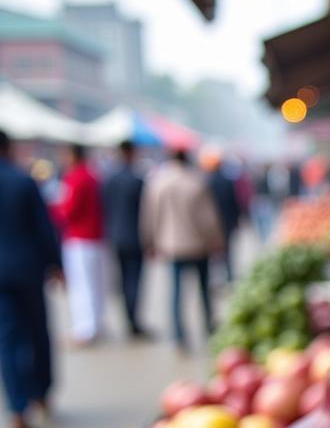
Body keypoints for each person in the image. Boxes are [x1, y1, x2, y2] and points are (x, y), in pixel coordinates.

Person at [0, 129, 61, 428]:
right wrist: (58, 265)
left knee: (7, 340)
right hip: (28, 270)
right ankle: (41, 392)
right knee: (37, 332)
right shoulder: (23, 181)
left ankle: (17, 408)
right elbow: (44, 229)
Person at [140, 149, 223, 351]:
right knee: (203, 290)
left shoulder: (158, 184)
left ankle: (178, 335)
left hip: (171, 246)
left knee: (176, 293)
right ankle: (209, 327)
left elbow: (150, 216)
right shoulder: (196, 182)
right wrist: (216, 240)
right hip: (198, 246)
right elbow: (208, 219)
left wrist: (149, 242)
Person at [54, 143, 105, 346]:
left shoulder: (75, 178)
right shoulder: (92, 176)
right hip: (95, 238)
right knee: (95, 285)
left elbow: (67, 211)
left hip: (80, 239)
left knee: (82, 286)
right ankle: (95, 324)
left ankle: (85, 329)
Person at [101, 140, 148, 338]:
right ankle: (133, 321)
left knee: (122, 280)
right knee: (134, 281)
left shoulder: (110, 180)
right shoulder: (137, 181)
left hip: (116, 236)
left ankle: (128, 319)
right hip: (135, 237)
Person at [207, 154, 240, 282]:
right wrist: (236, 220)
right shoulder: (228, 181)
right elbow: (234, 203)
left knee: (212, 254)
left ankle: (214, 278)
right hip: (227, 221)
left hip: (212, 224)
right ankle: (229, 276)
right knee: (228, 252)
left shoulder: (206, 181)